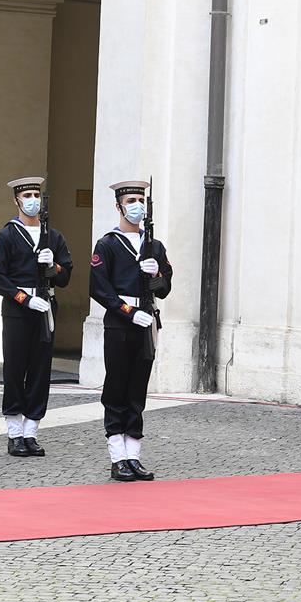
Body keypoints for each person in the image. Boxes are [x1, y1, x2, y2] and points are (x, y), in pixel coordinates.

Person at [89, 180, 172, 481]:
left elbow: (164, 289)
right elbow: (99, 288)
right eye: (131, 200)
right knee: (117, 387)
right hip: (120, 322)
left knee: (137, 388)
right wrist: (128, 311)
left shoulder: (155, 246)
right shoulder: (108, 244)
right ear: (119, 206)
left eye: (140, 200)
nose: (136, 205)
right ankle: (117, 456)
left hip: (146, 321)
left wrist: (157, 275)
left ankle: (133, 455)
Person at [0, 177, 72, 457]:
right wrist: (23, 298)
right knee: (15, 367)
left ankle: (31, 431)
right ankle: (14, 432)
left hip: (45, 307)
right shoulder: (7, 235)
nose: (33, 199)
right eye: (27, 195)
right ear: (17, 201)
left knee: (39, 369)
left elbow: (66, 275)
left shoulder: (54, 237)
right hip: (18, 310)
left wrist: (54, 267)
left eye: (36, 194)